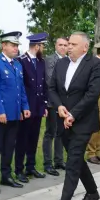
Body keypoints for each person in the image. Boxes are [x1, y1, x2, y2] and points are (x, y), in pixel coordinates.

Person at [46, 32, 100, 200]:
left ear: (84, 48)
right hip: (63, 120)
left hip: (82, 122)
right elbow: (52, 88)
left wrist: (73, 114)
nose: (68, 47)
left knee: (72, 163)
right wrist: (59, 107)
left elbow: (92, 94)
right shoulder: (62, 64)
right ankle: (92, 191)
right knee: (76, 158)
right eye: (68, 44)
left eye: (73, 44)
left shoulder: (95, 65)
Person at [0, 31, 31, 194]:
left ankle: (6, 175)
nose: (16, 48)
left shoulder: (17, 65)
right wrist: (0, 111)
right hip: (0, 115)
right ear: (3, 45)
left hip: (14, 114)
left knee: (9, 146)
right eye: (12, 45)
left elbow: (21, 90)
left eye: (17, 45)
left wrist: (25, 107)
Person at [14, 33, 49, 183]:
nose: (44, 48)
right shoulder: (21, 61)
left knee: (34, 138)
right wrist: (22, 107)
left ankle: (31, 166)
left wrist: (44, 104)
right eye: (42, 46)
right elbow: (20, 86)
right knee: (22, 139)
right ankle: (19, 169)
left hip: (38, 106)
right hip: (26, 107)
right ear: (37, 46)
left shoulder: (41, 61)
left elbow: (44, 84)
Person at [42, 37, 68, 175]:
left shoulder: (69, 60)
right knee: (50, 132)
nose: (63, 47)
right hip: (52, 102)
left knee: (61, 132)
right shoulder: (50, 60)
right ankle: (47, 163)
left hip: (64, 103)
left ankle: (59, 160)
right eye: (60, 45)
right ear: (55, 46)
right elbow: (50, 79)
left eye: (65, 45)